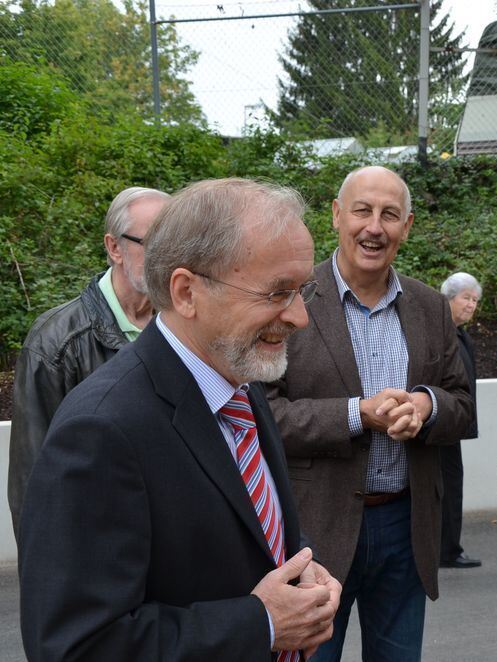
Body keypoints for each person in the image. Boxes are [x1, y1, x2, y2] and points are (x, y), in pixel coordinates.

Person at [18, 178, 341, 661]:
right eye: (276, 293)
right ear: (187, 292)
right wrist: (262, 624)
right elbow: (76, 647)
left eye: (301, 290)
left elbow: (249, 521)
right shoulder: (101, 432)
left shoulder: (240, 384)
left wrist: (302, 566)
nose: (299, 317)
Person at [267, 165, 475, 662]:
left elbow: (462, 405)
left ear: (407, 225)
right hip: (315, 530)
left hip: (406, 525)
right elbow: (265, 415)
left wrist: (425, 405)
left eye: (389, 214)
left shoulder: (429, 306)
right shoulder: (291, 300)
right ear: (337, 216)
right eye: (362, 211)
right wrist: (358, 414)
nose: (374, 227)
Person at [8, 186, 169, 539]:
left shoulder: (184, 326)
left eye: (175, 244)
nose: (167, 258)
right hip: (96, 545)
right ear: (115, 248)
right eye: (154, 244)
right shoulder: (56, 342)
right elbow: (31, 478)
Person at [438, 272, 484, 569]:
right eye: (466, 298)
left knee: (451, 485)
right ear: (449, 298)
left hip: (453, 423)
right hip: (441, 423)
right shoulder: (441, 331)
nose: (471, 305)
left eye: (475, 300)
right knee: (447, 486)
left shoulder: (458, 332)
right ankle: (447, 551)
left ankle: (449, 548)